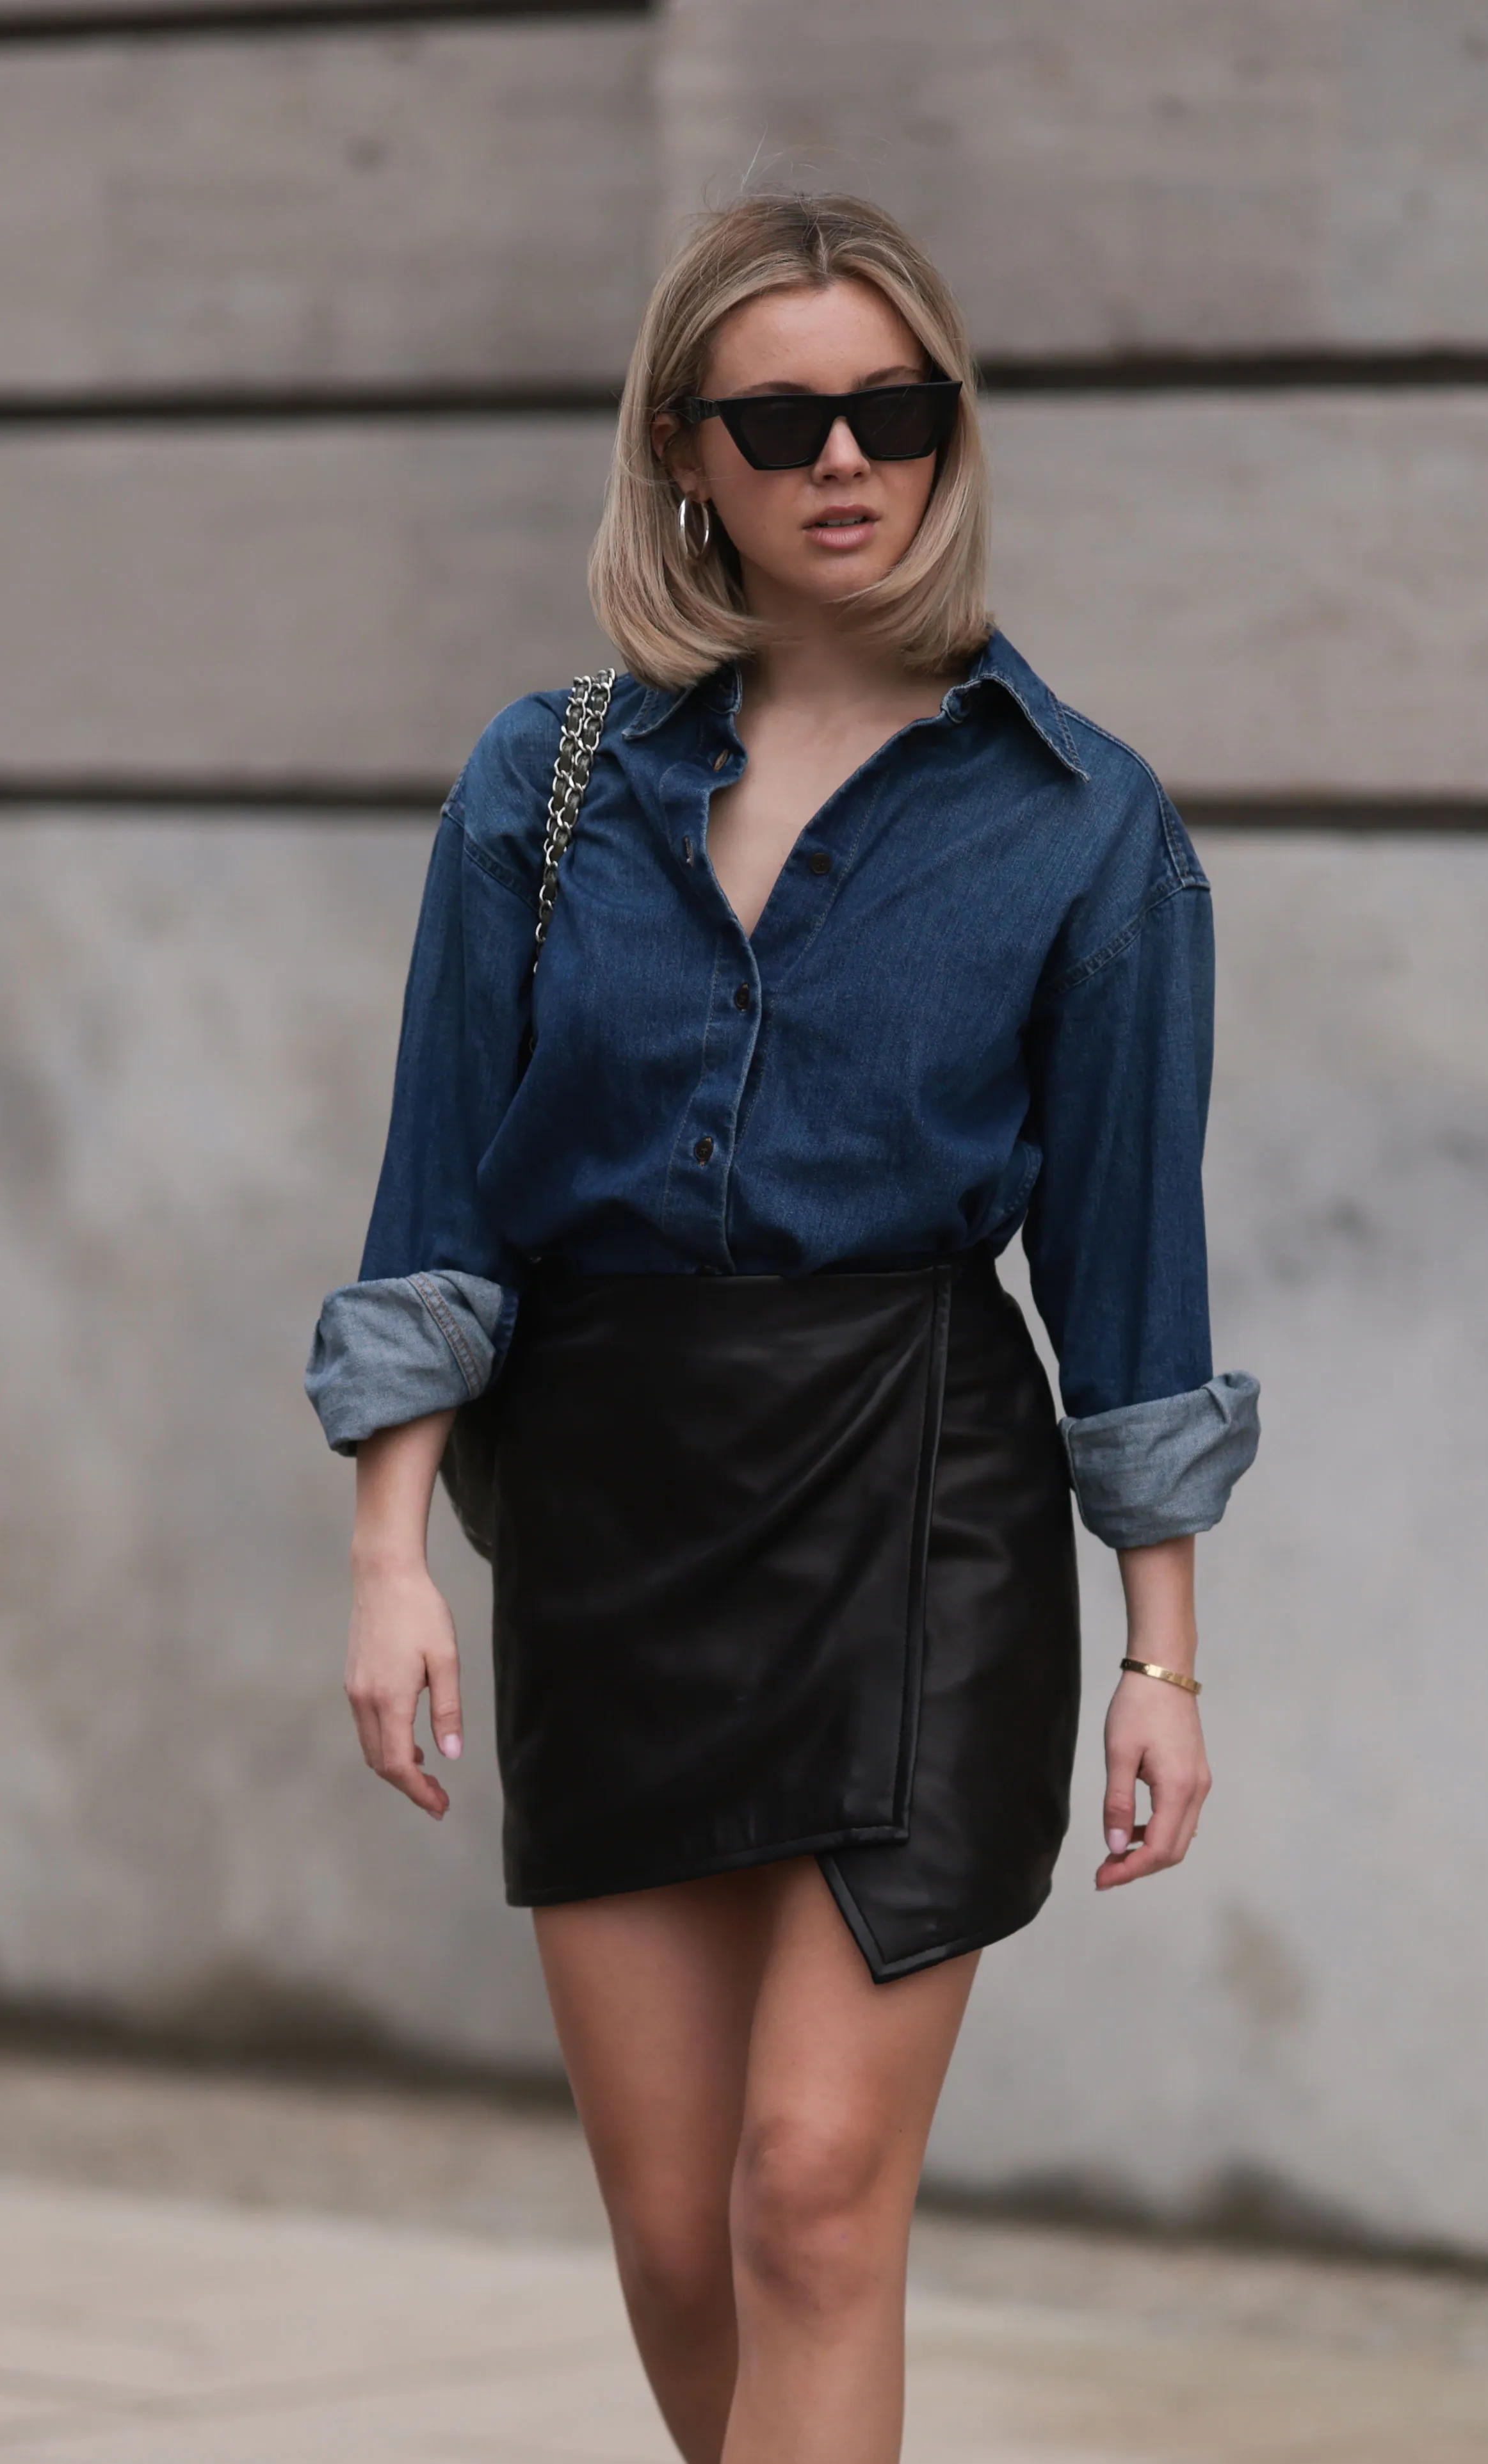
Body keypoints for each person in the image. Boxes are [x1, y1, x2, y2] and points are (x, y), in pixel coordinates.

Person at [303, 191, 1259, 2464]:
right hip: (620, 1516)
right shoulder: (541, 789)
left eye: (895, 410)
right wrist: (386, 1556)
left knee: (811, 2200)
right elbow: (440, 1198)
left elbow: (1130, 1273)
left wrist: (1164, 1658)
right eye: (786, 418)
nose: (849, 461)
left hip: (920, 1504)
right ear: (682, 455)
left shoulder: (1080, 827)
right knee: (669, 2239)